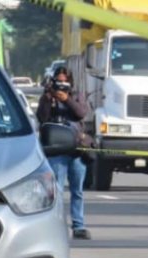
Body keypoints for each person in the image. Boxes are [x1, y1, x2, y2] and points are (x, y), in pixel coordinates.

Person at [37, 67, 91, 239]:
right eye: (58, 81)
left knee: (77, 190)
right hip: (57, 149)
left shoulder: (76, 95)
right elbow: (42, 118)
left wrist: (67, 99)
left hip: (76, 149)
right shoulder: (48, 96)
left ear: (70, 82)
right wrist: (48, 97)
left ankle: (79, 225)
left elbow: (81, 113)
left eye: (64, 81)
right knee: (56, 190)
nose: (61, 85)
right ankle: (56, 225)